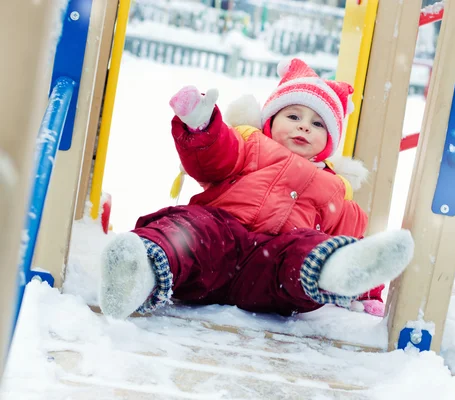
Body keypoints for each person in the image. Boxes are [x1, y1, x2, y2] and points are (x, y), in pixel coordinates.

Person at [99, 58, 414, 320]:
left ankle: (335, 275)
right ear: (270, 120)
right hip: (215, 248)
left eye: (318, 124)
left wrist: (366, 289)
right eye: (293, 116)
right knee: (192, 228)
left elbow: (351, 235)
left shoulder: (334, 189)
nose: (304, 126)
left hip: (270, 273)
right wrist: (203, 127)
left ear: (329, 142)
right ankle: (139, 271)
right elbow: (214, 158)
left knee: (305, 248)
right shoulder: (249, 144)